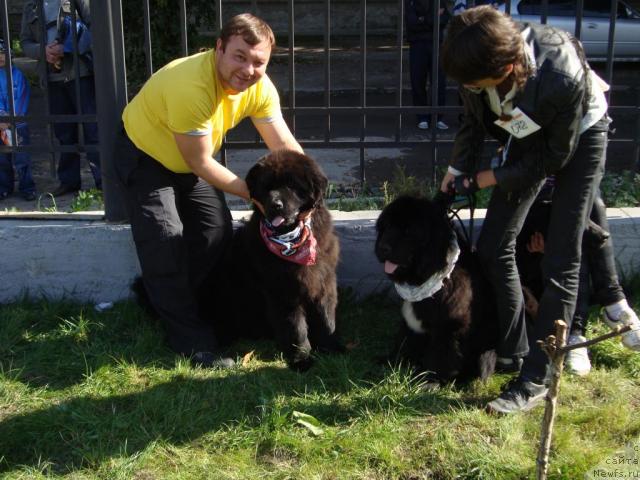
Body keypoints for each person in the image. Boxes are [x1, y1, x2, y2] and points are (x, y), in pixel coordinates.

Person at [439, 5, 639, 414]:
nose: (472, 89)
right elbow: (475, 120)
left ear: (510, 65)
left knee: (561, 256)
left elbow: (552, 160)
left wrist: (484, 179)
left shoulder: (560, 74)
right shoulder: (473, 57)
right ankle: (515, 350)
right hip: (527, 133)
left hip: (578, 139)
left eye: (478, 83)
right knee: (494, 247)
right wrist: (457, 168)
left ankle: (537, 378)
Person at [114, 13, 303, 368]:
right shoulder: (191, 86)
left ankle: (172, 303)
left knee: (215, 233)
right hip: (145, 157)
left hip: (188, 160)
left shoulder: (259, 88)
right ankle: (193, 343)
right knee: (165, 239)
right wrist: (260, 197)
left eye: (258, 61)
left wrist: (309, 188)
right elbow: (201, 162)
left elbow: (284, 145)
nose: (248, 69)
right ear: (219, 48)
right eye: (239, 56)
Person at [517, 182, 640, 377]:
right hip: (530, 221)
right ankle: (609, 306)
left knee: (590, 199)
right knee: (580, 215)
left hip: (557, 202)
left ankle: (582, 329)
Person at [20, 0, 101, 196]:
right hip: (51, 77)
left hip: (79, 73)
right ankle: (69, 181)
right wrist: (43, 51)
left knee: (93, 129)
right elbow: (24, 42)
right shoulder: (31, 5)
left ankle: (103, 182)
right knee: (64, 133)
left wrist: (67, 48)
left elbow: (95, 27)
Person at [0, 39, 36, 201]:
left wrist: (14, 117)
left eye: (3, 53)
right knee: (2, 158)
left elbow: (22, 97)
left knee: (22, 158)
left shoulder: (18, 75)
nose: (0, 57)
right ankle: (4, 187)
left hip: (18, 123)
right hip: (1, 124)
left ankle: (27, 187)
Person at [405, 0, 449, 130]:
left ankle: (438, 117)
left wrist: (422, 19)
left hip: (436, 44)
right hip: (417, 44)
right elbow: (412, 23)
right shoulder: (410, 2)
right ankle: (422, 116)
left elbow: (445, 19)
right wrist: (433, 18)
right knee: (418, 80)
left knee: (439, 81)